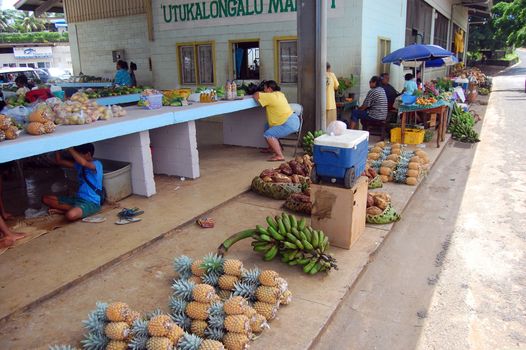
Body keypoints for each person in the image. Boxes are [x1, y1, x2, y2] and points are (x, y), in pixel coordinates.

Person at [42, 143, 103, 221]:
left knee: (70, 215)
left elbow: (83, 162)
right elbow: (59, 161)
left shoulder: (97, 164)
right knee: (46, 199)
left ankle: (65, 211)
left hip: (91, 203)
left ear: (88, 154)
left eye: (78, 155)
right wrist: (57, 146)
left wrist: (70, 149)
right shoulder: (80, 166)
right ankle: (74, 209)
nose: (75, 157)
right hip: (77, 199)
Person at [253, 80, 300, 161]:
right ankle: (271, 148)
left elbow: (256, 95)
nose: (264, 90)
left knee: (269, 134)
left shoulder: (270, 96)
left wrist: (258, 91)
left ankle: (279, 155)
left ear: (270, 89)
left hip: (288, 123)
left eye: (265, 88)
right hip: (293, 119)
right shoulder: (280, 94)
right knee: (267, 126)